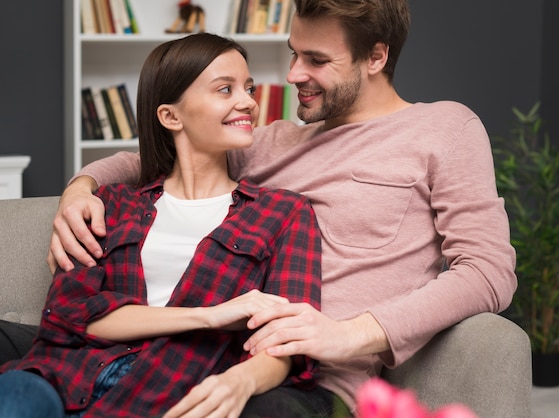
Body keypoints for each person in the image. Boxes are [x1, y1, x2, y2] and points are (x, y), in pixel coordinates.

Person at [3, 0, 518, 415]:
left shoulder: (444, 129)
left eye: (317, 60)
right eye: (294, 52)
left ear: (376, 58)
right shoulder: (271, 142)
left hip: (302, 374)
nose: (293, 74)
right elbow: (152, 154)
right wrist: (79, 189)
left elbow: (489, 271)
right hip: (181, 340)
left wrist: (348, 333)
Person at [0, 32, 322, 418]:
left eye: (248, 88)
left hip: (170, 390)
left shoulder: (284, 213)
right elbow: (69, 317)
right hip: (62, 377)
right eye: (225, 89)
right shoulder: (112, 205)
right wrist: (210, 314)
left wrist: (242, 380)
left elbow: (288, 340)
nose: (249, 102)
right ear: (171, 116)